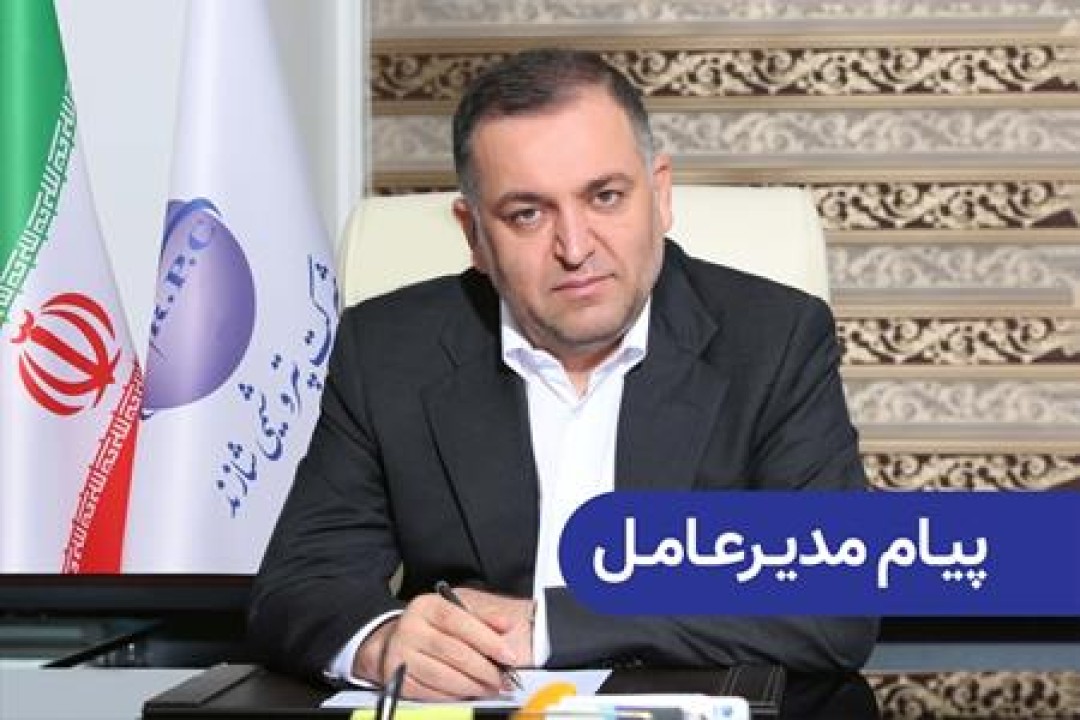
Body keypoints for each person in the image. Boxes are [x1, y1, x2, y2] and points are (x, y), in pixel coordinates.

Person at [248, 48, 877, 700]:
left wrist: (550, 626)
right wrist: (381, 643)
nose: (575, 249)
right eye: (527, 214)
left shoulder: (773, 339)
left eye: (605, 197)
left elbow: (835, 600)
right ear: (474, 235)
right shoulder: (387, 350)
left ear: (660, 195)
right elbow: (298, 586)